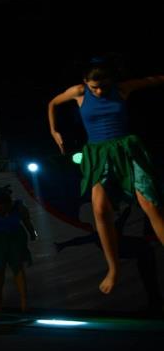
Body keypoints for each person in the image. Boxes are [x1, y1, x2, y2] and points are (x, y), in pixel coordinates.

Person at [47, 56, 164, 294]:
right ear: (85, 83)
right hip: (99, 153)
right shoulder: (79, 92)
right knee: (100, 209)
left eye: (103, 86)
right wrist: (54, 131)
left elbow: (153, 80)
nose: (99, 91)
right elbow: (52, 103)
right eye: (94, 87)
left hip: (126, 149)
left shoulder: (121, 89)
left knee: (149, 204)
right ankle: (113, 268)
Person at [0, 188, 36, 312]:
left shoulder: (20, 207)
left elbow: (27, 222)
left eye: (2, 207)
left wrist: (32, 233)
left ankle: (24, 303)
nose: (0, 209)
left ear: (8, 203)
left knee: (18, 267)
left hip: (16, 237)